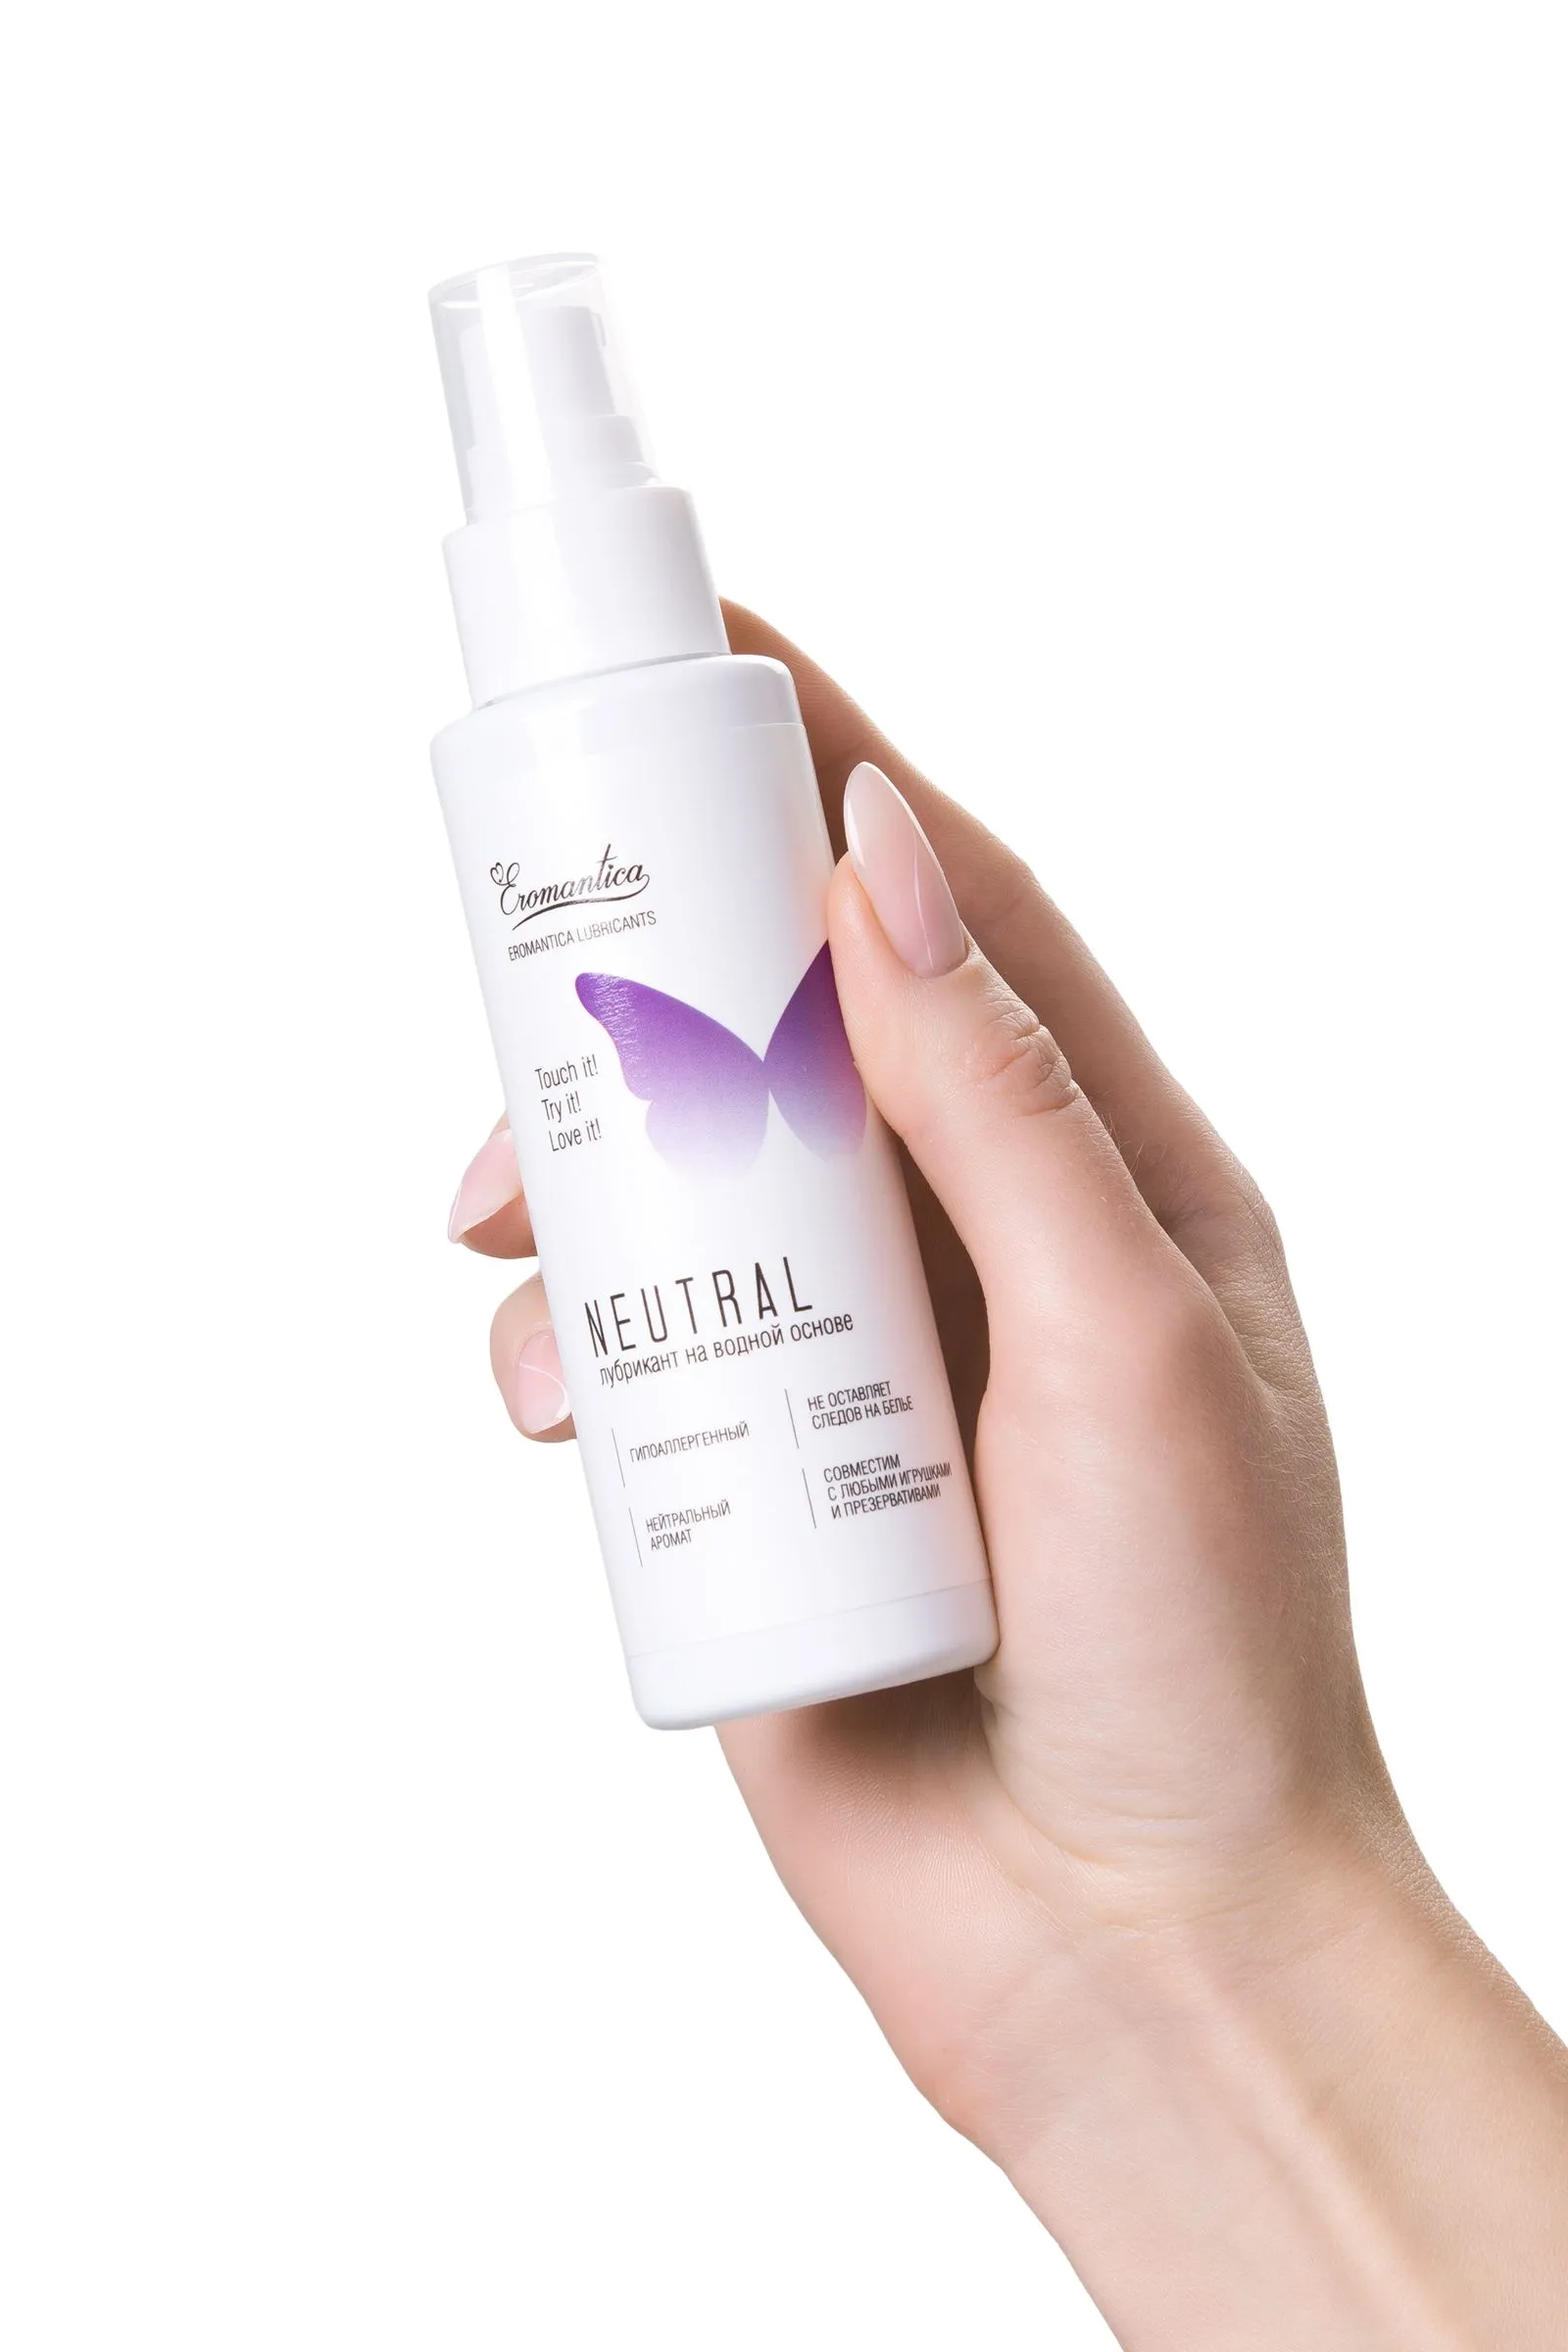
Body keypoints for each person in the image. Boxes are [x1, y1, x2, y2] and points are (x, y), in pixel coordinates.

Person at [445, 605, 1568, 2346]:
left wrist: (1228, 1894)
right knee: (629, 1224)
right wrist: (1171, 1951)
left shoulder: (707, 722)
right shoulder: (533, 763)